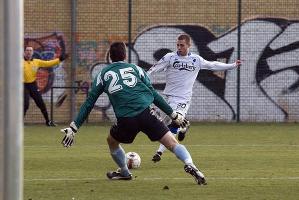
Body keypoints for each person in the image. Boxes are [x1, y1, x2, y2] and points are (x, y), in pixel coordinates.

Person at [61, 42, 207, 185]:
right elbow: (153, 95)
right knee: (172, 143)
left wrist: (74, 127)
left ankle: (124, 172)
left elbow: (89, 102)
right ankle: (190, 164)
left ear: (110, 57)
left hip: (126, 119)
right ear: (125, 55)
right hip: (147, 113)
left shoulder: (103, 74)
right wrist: (173, 114)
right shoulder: (136, 69)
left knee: (112, 141)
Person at [148, 33, 241, 162]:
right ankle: (184, 126)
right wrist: (143, 77)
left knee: (174, 122)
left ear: (188, 45)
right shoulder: (170, 57)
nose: (179, 47)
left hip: (183, 99)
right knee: (160, 126)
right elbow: (153, 69)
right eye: (177, 45)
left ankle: (159, 152)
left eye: (182, 45)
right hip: (168, 98)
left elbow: (212, 65)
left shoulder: (196, 60)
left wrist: (232, 65)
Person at [23, 45, 67, 126]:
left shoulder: (36, 62)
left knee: (41, 103)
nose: (28, 52)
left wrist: (59, 59)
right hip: (23, 85)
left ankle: (48, 121)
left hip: (33, 85)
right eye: (27, 50)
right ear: (24, 52)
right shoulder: (20, 62)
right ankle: (20, 123)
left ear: (32, 53)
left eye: (30, 50)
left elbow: (48, 63)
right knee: (25, 104)